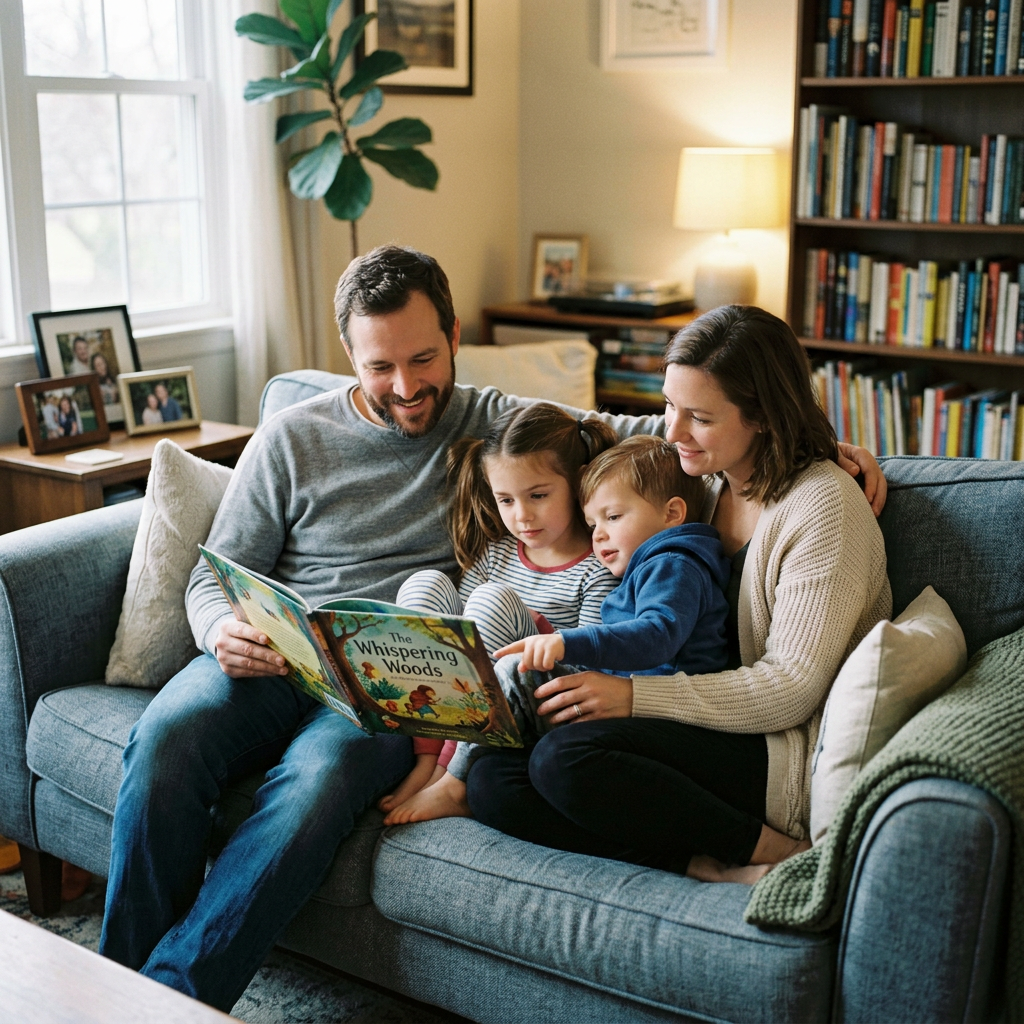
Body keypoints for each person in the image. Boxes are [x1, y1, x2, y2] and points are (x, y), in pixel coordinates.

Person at [98, 248, 887, 1012]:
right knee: (168, 738)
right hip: (276, 651)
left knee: (314, 790)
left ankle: (170, 1002)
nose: (406, 387)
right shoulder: (292, 438)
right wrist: (217, 629)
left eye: (422, 359)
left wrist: (827, 447)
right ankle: (108, 991)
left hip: (393, 673)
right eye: (379, 367)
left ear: (454, 339)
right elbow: (212, 573)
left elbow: (649, 437)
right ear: (347, 354)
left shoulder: (495, 421)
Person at [463, 305, 893, 885]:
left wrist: (632, 697)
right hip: (692, 722)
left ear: (764, 414)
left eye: (699, 417)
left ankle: (771, 847)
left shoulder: (824, 509)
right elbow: (580, 437)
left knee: (564, 760)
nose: (671, 432)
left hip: (772, 747)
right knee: (491, 778)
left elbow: (789, 691)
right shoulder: (701, 482)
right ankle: (698, 863)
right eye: (669, 405)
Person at [386, 434, 732, 826]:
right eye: (592, 523)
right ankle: (432, 756)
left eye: (613, 518)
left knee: (513, 673)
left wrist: (563, 641)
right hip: (624, 705)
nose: (598, 535)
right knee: (467, 627)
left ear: (672, 514)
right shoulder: (657, 565)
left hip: (658, 718)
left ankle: (452, 783)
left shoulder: (674, 565)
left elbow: (656, 636)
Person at [378, 402, 621, 819]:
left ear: (579, 483)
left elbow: (589, 668)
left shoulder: (597, 569)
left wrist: (535, 629)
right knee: (426, 584)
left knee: (491, 602)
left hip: (541, 705)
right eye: (505, 500)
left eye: (538, 496)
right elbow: (457, 642)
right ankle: (425, 756)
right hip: (465, 700)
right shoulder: (497, 554)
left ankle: (451, 776)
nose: (521, 516)